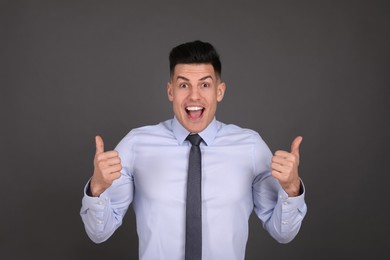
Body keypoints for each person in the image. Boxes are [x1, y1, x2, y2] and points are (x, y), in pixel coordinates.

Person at [80, 40, 307, 260]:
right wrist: (97, 189)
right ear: (171, 91)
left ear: (220, 91)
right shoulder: (136, 144)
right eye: (183, 85)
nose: (194, 95)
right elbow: (99, 233)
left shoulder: (251, 146)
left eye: (205, 85)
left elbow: (283, 234)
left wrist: (291, 189)